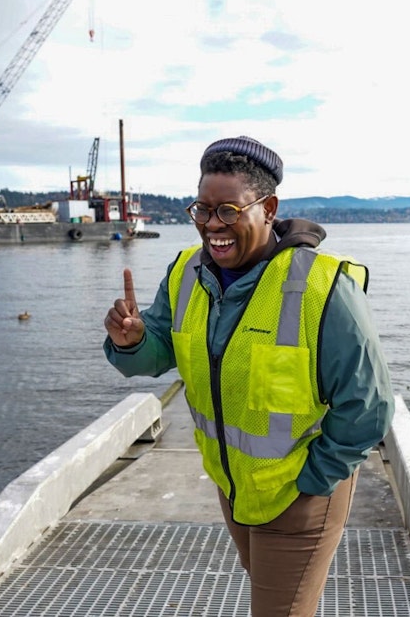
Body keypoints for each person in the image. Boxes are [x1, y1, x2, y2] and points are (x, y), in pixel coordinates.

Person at [103, 135, 394, 616]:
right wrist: (130, 342)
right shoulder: (185, 274)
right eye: (202, 210)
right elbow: (156, 353)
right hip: (233, 487)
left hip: (299, 496)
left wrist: (312, 480)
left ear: (268, 207)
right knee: (281, 599)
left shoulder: (324, 287)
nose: (213, 225)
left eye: (229, 212)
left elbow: (368, 406)